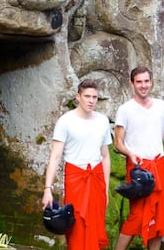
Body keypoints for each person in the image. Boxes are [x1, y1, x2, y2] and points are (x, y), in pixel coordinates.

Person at [113, 66, 164, 250]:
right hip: (138, 169)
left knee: (159, 218)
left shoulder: (160, 106)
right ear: (132, 84)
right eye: (139, 82)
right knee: (136, 216)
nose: (143, 85)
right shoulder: (125, 110)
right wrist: (130, 153)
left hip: (159, 164)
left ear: (151, 82)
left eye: (146, 81)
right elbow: (118, 142)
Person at [43, 80, 112, 250]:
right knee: (77, 227)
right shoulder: (65, 121)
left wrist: (106, 188)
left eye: (95, 97)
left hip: (97, 179)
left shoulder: (103, 121)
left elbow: (105, 156)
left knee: (96, 227)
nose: (91, 100)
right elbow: (55, 157)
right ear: (78, 97)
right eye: (87, 96)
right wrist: (47, 189)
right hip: (76, 178)